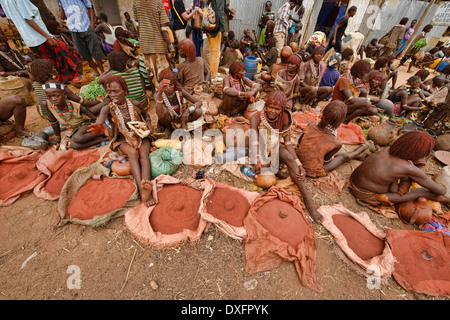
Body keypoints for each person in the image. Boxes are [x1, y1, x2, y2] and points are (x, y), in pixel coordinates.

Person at [249, 89, 322, 222]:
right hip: (259, 149)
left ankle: (309, 203)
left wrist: (299, 164)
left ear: (282, 110)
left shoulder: (286, 117)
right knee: (261, 170)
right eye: (270, 107)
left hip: (276, 147)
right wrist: (258, 158)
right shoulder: (256, 117)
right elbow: (254, 142)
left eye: (277, 109)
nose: (272, 111)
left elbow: (288, 143)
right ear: (265, 106)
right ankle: (275, 171)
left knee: (290, 158)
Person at [89, 75, 156, 206]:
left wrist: (148, 123)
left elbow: (146, 115)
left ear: (125, 90)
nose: (112, 95)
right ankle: (142, 189)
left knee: (143, 154)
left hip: (140, 136)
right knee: (133, 153)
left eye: (116, 91)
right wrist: (99, 127)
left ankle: (146, 185)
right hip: (122, 140)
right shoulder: (108, 108)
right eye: (109, 92)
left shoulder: (135, 104)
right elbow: (100, 121)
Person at [349, 130, 448, 207]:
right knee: (422, 192)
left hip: (353, 181)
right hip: (366, 194)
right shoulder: (408, 167)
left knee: (407, 183)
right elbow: (439, 191)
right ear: (420, 153)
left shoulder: (387, 150)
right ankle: (446, 201)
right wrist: (441, 186)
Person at [0, 0, 83, 84]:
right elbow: (28, 19)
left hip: (30, 39)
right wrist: (48, 37)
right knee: (67, 53)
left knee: (52, 61)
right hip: (39, 37)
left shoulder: (4, 1)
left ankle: (61, 81)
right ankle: (67, 79)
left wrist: (24, 29)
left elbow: (11, 19)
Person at [296, 100, 373, 178]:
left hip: (297, 162)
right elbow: (326, 161)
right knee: (343, 157)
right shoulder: (336, 142)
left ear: (323, 113)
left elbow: (299, 144)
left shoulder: (311, 125)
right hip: (312, 172)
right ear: (341, 121)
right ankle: (361, 149)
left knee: (333, 152)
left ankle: (358, 155)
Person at [42, 81, 107, 150]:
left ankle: (105, 132)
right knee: (73, 145)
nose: (53, 99)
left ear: (64, 94)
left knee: (78, 138)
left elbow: (91, 115)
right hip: (76, 128)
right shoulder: (47, 104)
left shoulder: (74, 105)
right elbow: (54, 122)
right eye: (49, 96)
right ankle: (104, 139)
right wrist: (58, 139)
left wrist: (97, 124)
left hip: (85, 122)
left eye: (56, 95)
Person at [58, 0, 106, 77]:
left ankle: (103, 71)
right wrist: (62, 20)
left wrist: (92, 24)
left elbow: (90, 7)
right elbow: (62, 11)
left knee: (95, 51)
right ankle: (96, 71)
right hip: (74, 30)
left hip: (86, 26)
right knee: (84, 54)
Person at [133, 0, 174, 92]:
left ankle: (154, 94)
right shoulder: (158, 3)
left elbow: (138, 27)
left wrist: (142, 41)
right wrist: (171, 48)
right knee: (163, 74)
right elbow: (164, 30)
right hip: (159, 45)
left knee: (150, 72)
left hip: (145, 46)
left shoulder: (136, 4)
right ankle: (165, 97)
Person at [154, 69, 203, 135]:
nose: (168, 88)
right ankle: (168, 128)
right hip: (168, 119)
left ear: (174, 84)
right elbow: (160, 114)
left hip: (180, 117)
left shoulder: (179, 90)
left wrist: (188, 111)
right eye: (165, 86)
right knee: (164, 111)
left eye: (170, 85)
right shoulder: (158, 94)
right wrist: (160, 93)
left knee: (198, 111)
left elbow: (199, 102)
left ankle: (182, 125)